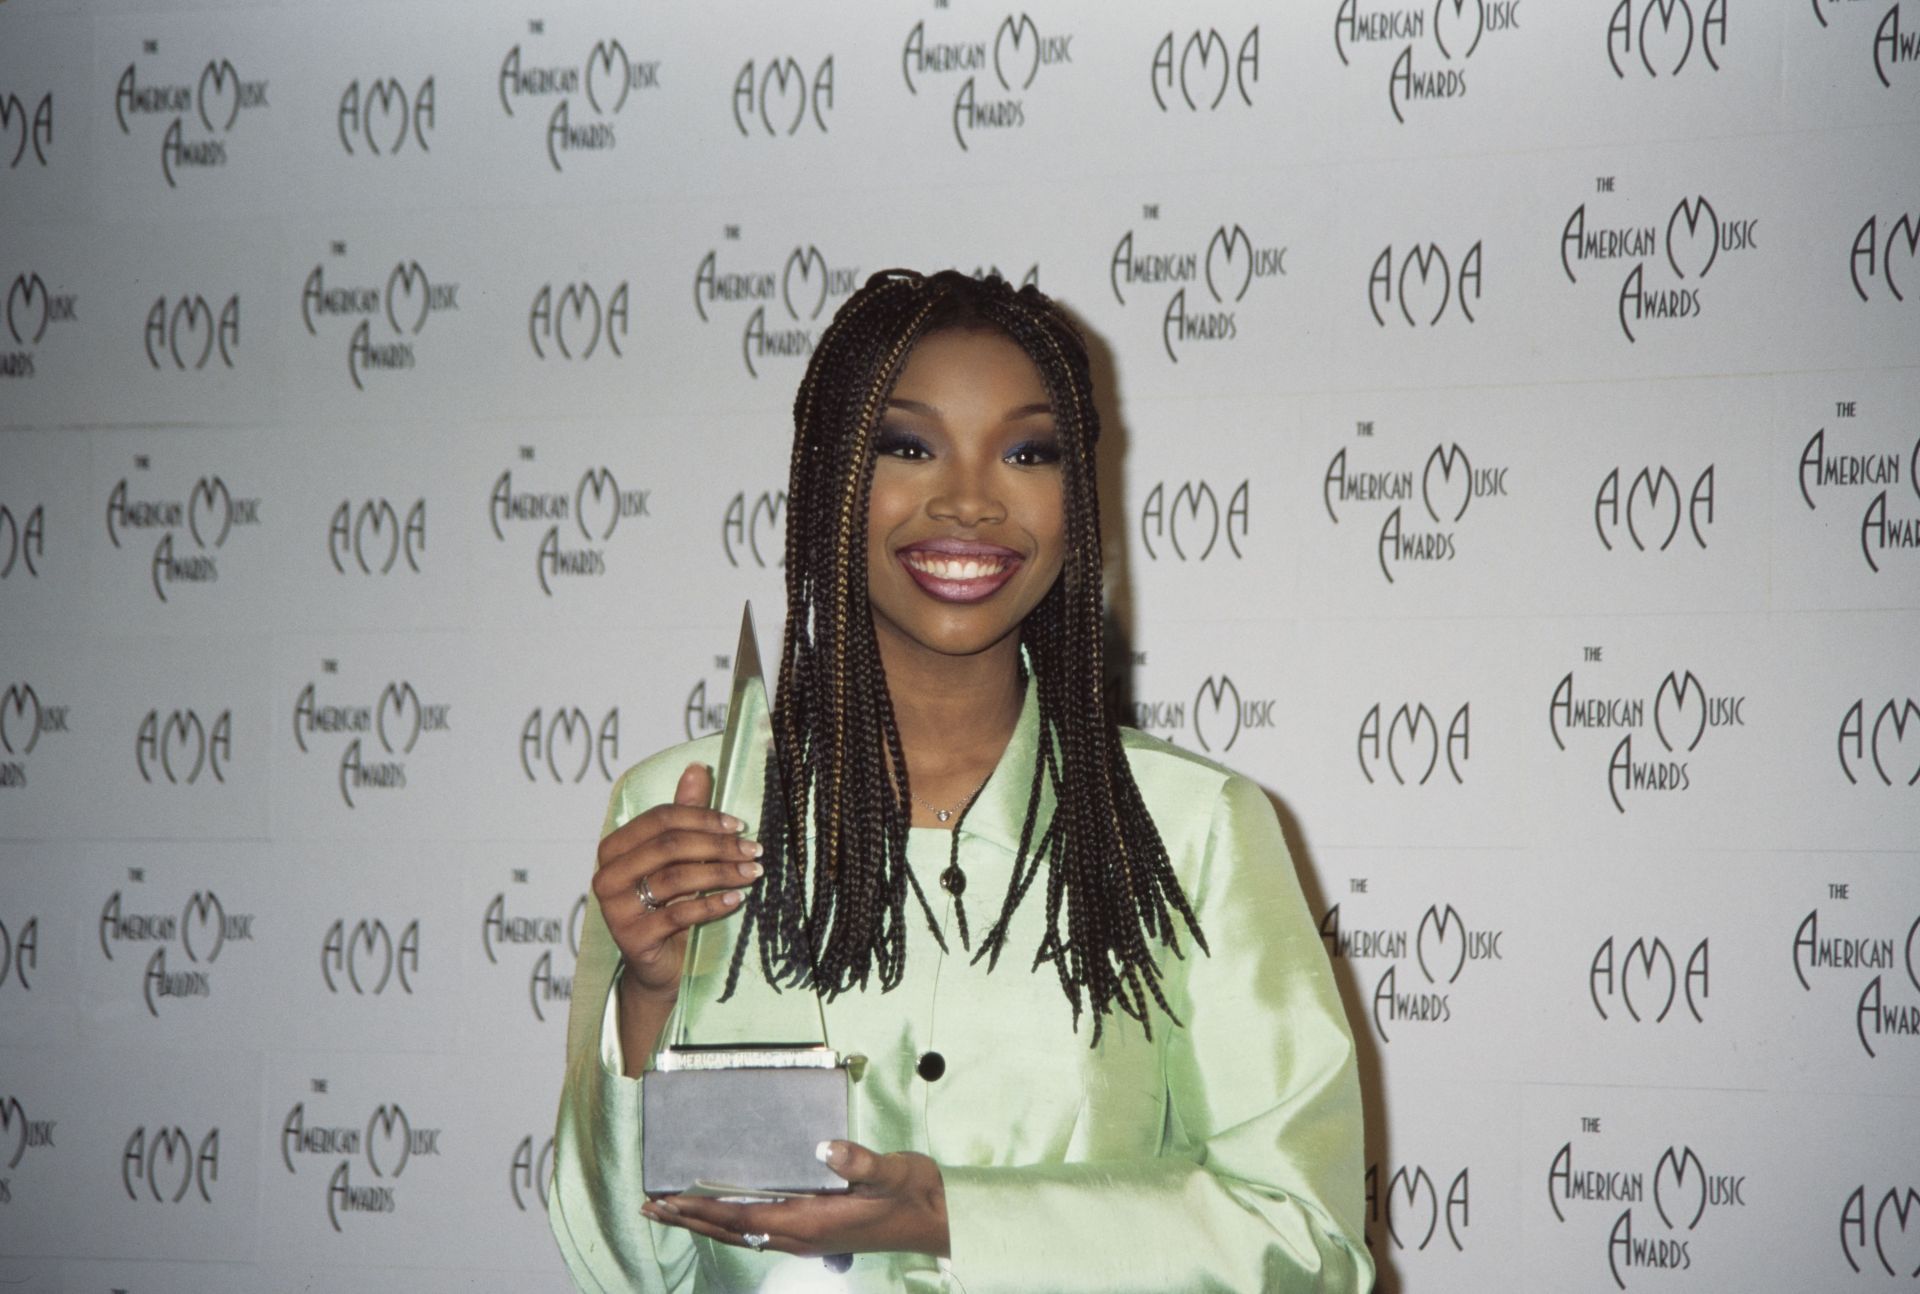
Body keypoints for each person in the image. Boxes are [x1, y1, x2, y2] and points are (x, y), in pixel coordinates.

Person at [548, 269, 1374, 1293]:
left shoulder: (1192, 829)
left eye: (1028, 451)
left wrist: (951, 1217)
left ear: (1080, 500)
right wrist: (649, 995)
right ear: (828, 481)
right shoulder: (685, 809)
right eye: (908, 444)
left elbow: (1308, 1246)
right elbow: (625, 1266)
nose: (971, 499)